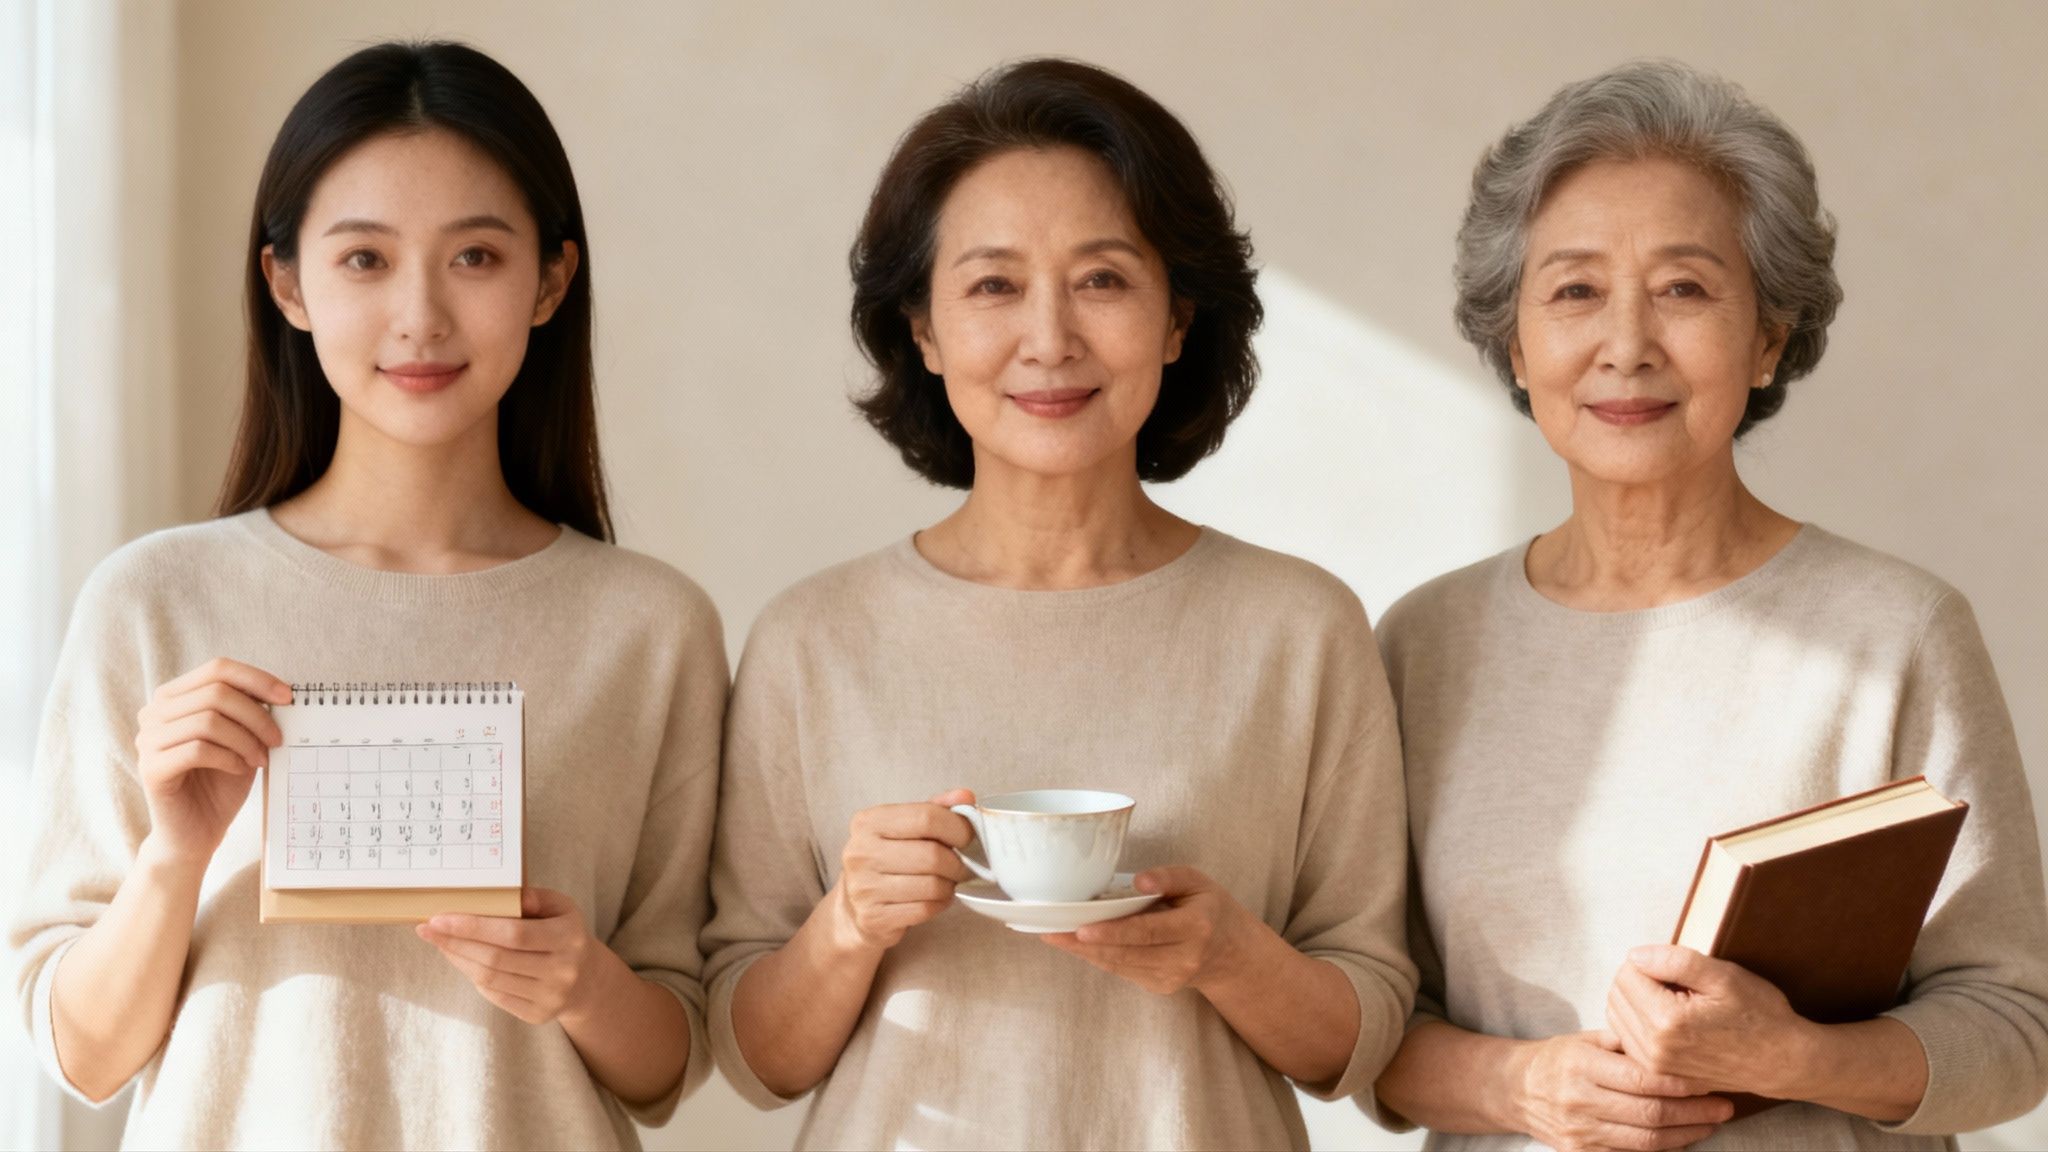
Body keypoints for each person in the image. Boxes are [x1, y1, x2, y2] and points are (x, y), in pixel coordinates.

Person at [8, 41, 724, 1149]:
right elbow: (81, 1055)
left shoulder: (650, 627)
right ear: (286, 283)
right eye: (363, 261)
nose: (421, 317)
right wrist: (174, 854)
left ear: (550, 281)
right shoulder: (153, 600)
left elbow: (666, 1062)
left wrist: (580, 981)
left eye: (476, 257)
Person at [699, 57, 1415, 1150]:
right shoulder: (813, 639)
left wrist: (1229, 955)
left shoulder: (1298, 627)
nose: (1049, 339)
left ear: (1177, 318)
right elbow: (752, 1059)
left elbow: (1357, 1040)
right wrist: (846, 926)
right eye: (992, 285)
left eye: (1101, 279)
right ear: (923, 334)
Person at [1369, 58, 2048, 1151]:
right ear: (1514, 339)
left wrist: (1791, 1057)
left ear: (1767, 336)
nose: (1625, 345)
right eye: (1573, 290)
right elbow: (1365, 1024)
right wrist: (1523, 1086)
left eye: (1683, 288)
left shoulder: (1894, 631)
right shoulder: (1423, 642)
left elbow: (2014, 1029)